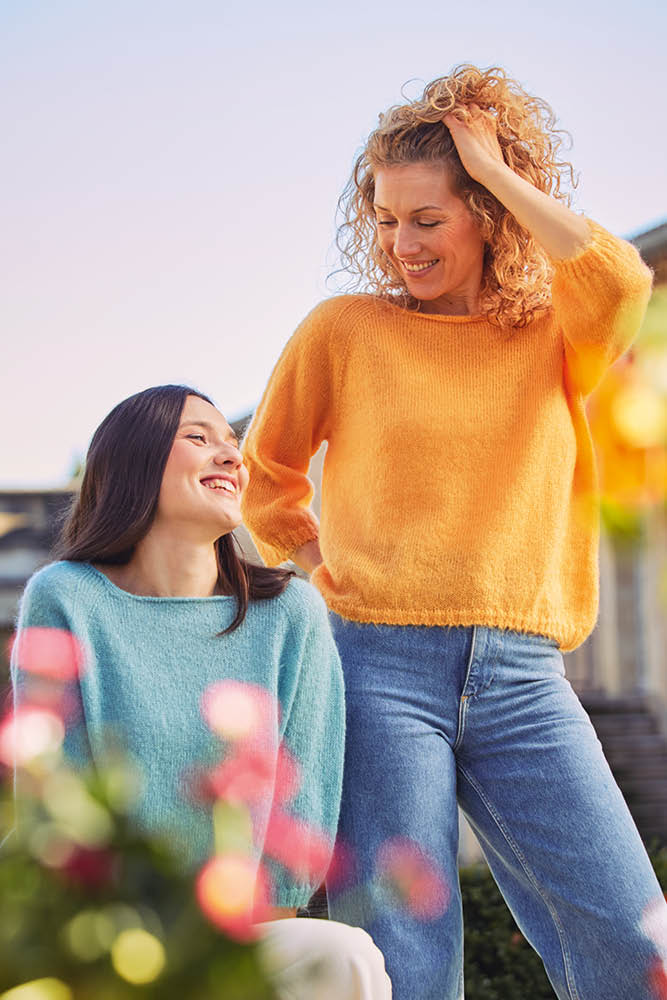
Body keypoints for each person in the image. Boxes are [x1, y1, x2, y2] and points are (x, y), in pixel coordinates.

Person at [240, 65, 667, 1000]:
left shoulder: (555, 334)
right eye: (386, 220)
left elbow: (620, 278)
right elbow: (264, 478)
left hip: (523, 676)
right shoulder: (344, 331)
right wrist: (323, 574)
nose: (400, 243)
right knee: (405, 961)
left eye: (427, 218)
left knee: (641, 948)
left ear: (486, 217)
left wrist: (501, 172)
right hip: (377, 668)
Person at [11, 384, 391, 1000]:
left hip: (238, 940)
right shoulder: (66, 597)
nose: (230, 457)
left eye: (232, 445)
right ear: (135, 461)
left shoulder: (291, 614)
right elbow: (53, 802)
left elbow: (300, 820)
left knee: (343, 954)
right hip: (95, 929)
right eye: (199, 438)